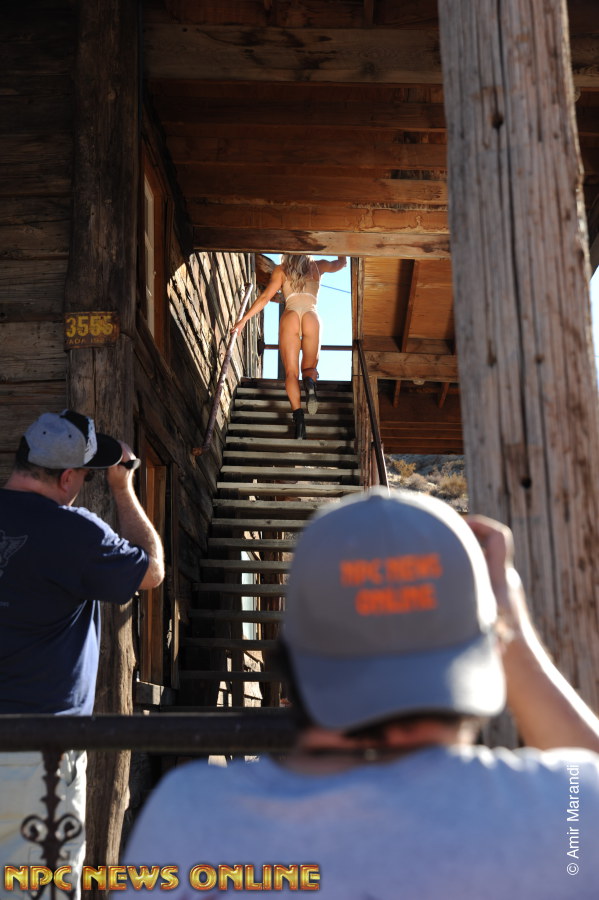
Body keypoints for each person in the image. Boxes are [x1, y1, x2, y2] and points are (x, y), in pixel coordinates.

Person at [121, 488, 599, 898]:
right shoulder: (564, 811)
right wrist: (510, 619)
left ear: (290, 655)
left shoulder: (192, 816)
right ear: (491, 647)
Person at [0, 409, 164, 898]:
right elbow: (152, 571)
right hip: (36, 752)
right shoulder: (74, 532)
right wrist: (122, 488)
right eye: (88, 476)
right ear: (68, 476)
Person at [231, 254, 347, 439]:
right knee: (309, 368)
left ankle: (299, 420)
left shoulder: (281, 270)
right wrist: (342, 254)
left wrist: (243, 320)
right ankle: (310, 383)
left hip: (291, 315)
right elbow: (340, 263)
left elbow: (265, 297)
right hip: (311, 316)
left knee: (291, 373)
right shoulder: (319, 266)